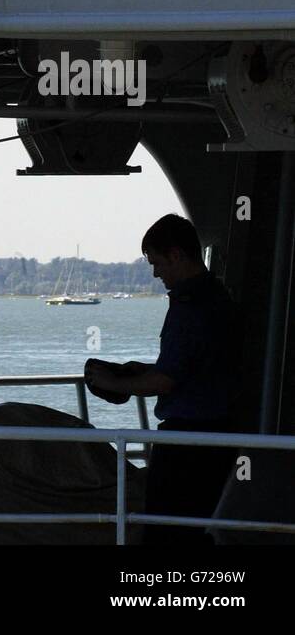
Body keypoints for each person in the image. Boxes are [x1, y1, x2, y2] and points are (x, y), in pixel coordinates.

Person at [85, 213, 241, 545]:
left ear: (176, 255)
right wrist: (139, 369)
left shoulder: (191, 306)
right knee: (190, 525)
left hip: (190, 441)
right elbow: (191, 367)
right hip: (215, 435)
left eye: (157, 263)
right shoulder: (217, 298)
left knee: (165, 528)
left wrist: (115, 384)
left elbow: (165, 382)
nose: (156, 272)